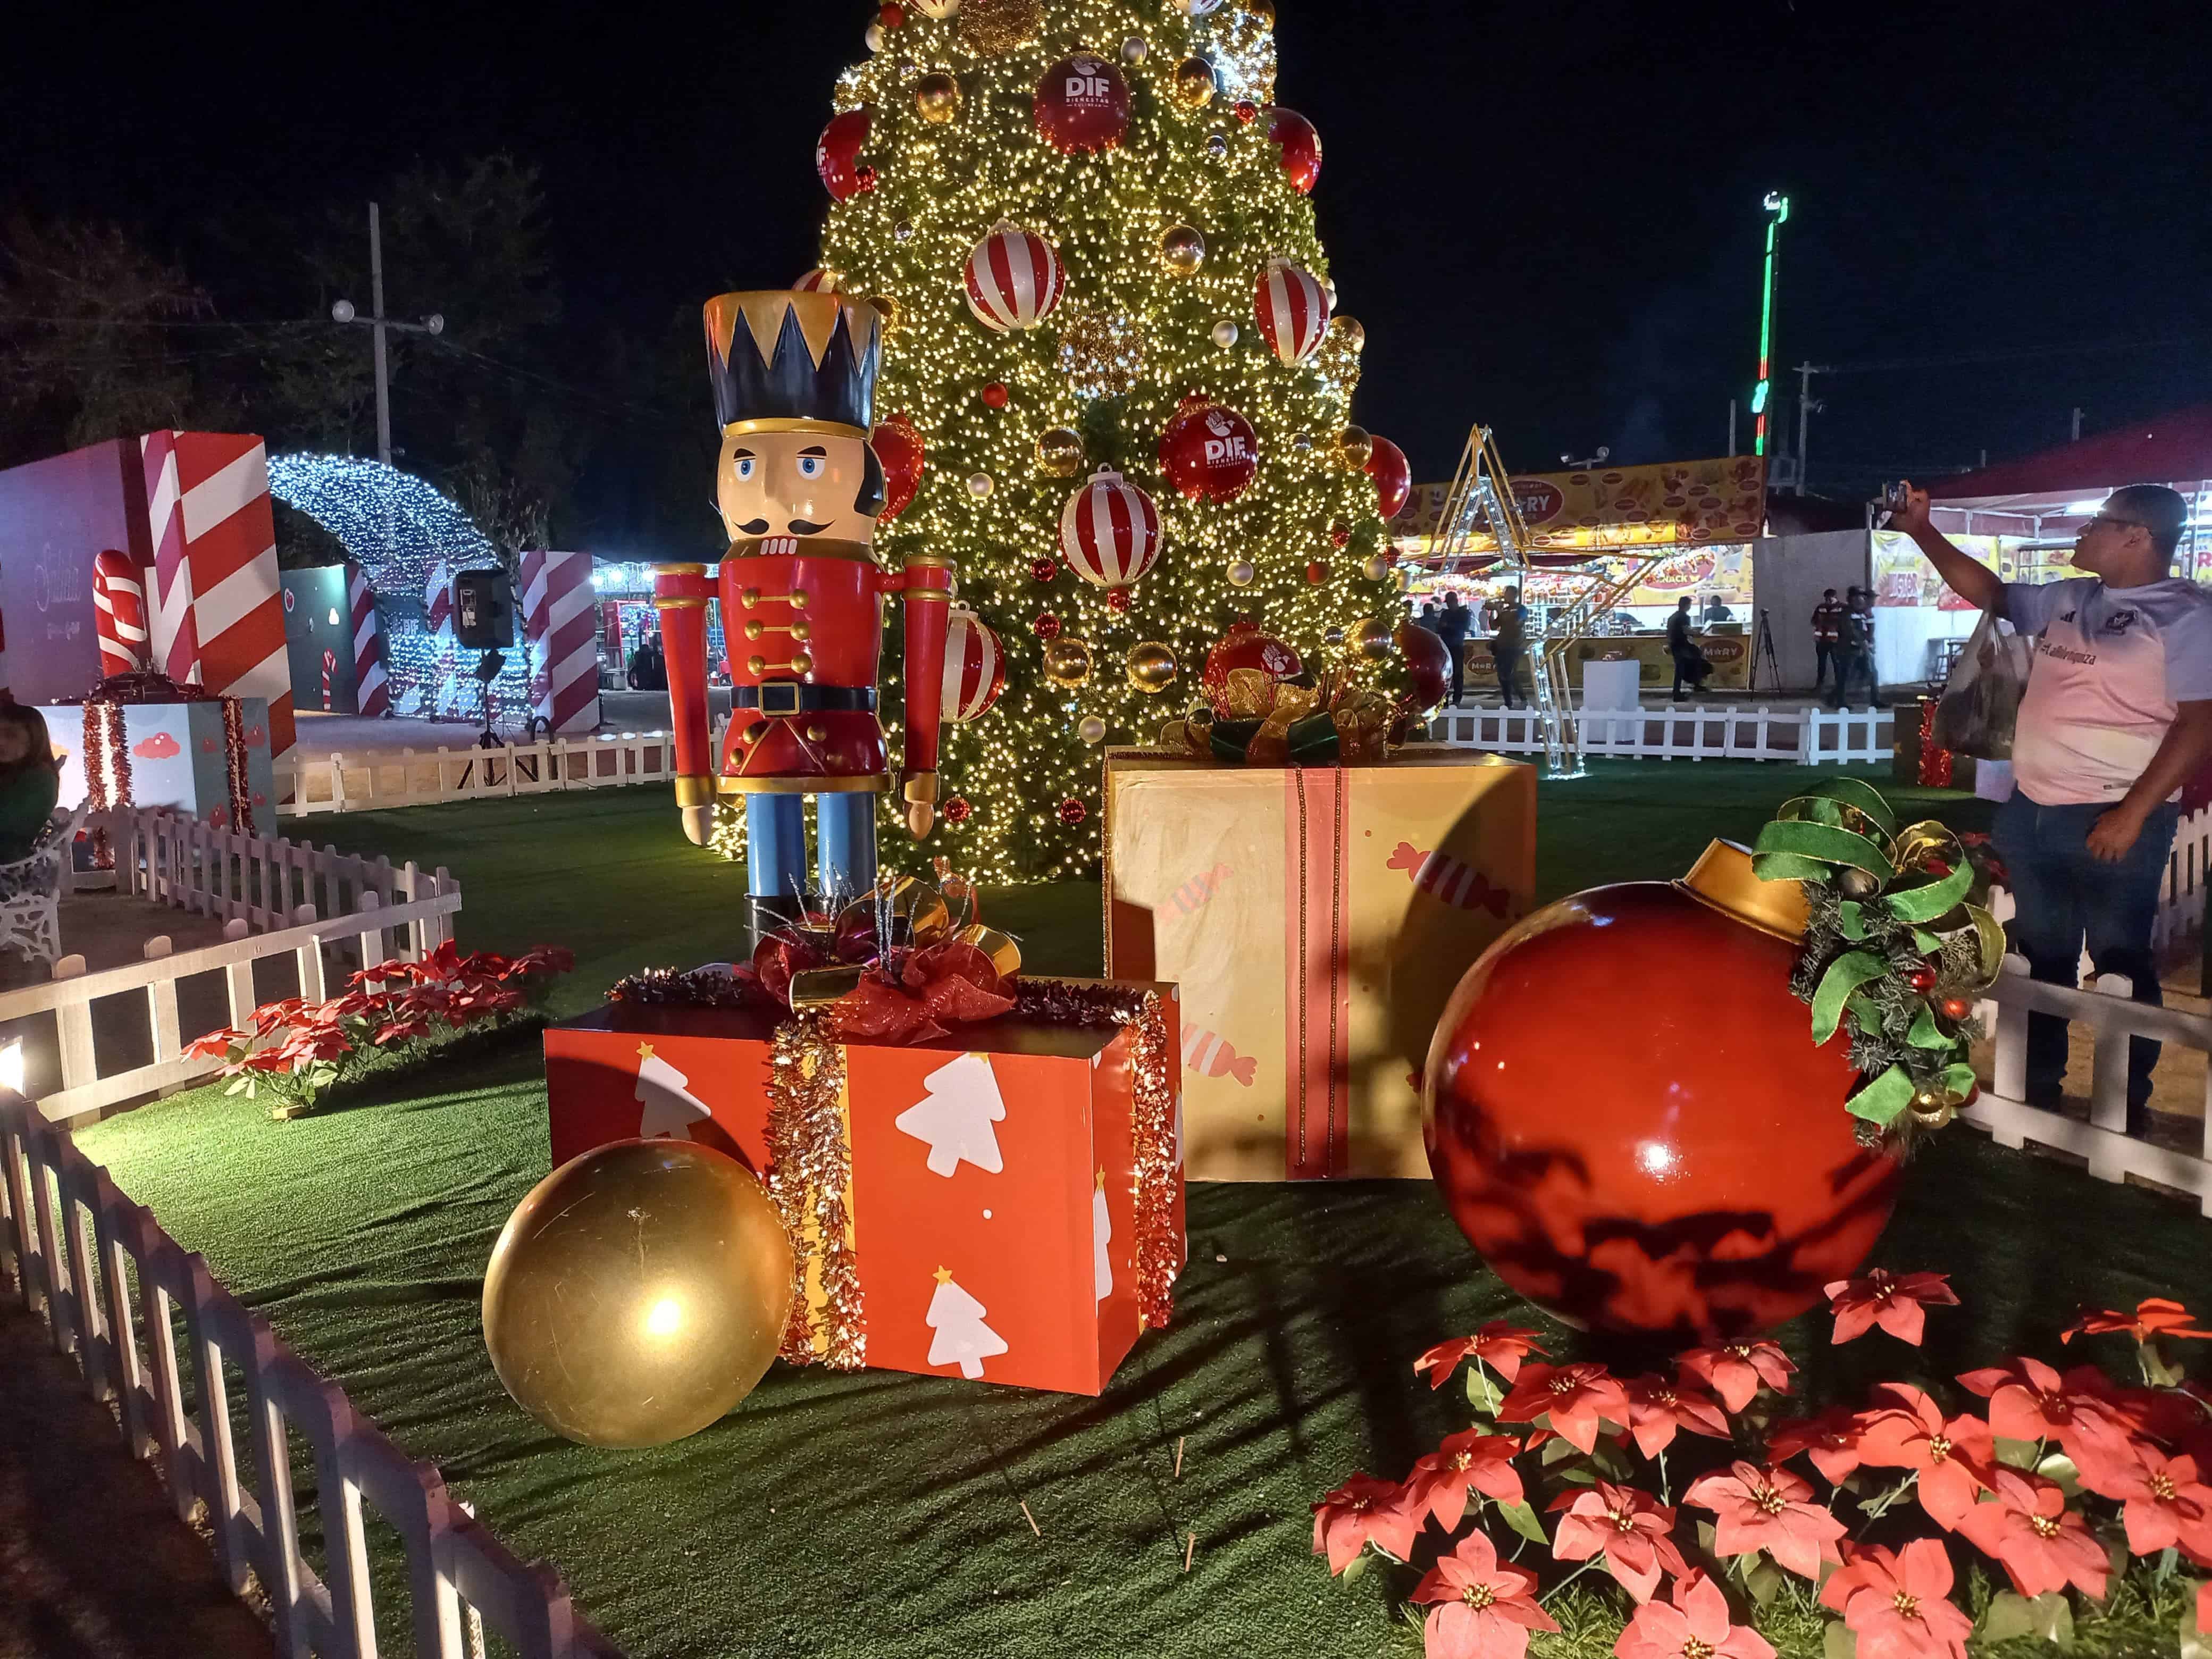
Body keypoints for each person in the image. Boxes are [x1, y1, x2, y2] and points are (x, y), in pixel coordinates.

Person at [1890, 480, 2212, 1129]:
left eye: (2098, 522)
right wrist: (1919, 531)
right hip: (2031, 809)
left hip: (2113, 816)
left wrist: (2132, 813)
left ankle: (2123, 1105)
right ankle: (2036, 1089)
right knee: (2042, 958)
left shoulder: (2185, 615)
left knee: (2120, 962)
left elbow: (2199, 722)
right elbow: (1989, 593)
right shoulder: (2069, 597)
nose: (2082, 532)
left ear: (2136, 536)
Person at [0, 704, 62, 865]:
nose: (1, 741)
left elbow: (8, 820)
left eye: (11, 735)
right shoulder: (12, 771)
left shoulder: (41, 779)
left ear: (34, 739)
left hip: (10, 863)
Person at [1831, 588, 1881, 709]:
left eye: (1862, 598)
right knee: (1846, 675)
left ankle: (1875, 700)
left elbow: (1865, 631)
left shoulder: (1861, 613)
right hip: (1848, 650)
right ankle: (1839, 701)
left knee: (1872, 673)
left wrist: (1867, 644)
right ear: (1851, 599)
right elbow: (1850, 631)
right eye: (1857, 598)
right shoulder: (1846, 613)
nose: (1861, 600)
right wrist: (1862, 642)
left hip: (1860, 649)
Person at [1487, 585, 1529, 709]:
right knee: (1502, 674)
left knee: (1510, 673)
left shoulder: (1521, 609)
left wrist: (1499, 611)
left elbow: (1515, 623)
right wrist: (1492, 612)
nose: (1505, 596)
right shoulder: (1505, 610)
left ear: (1514, 595)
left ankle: (1522, 698)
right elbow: (1494, 626)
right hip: (1502, 646)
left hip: (1515, 646)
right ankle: (1508, 702)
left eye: (1507, 594)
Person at [1434, 591, 1471, 707]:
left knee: (1458, 673)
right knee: (1445, 673)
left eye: (1450, 602)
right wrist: (1442, 626)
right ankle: (1444, 698)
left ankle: (1457, 699)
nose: (1449, 605)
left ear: (1455, 601)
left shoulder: (1464, 613)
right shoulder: (1445, 613)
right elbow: (1440, 628)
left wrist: (1448, 626)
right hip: (1446, 646)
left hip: (1457, 646)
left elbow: (1465, 627)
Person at [1665, 597, 1705, 701]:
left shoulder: (1673, 617)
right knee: (1683, 667)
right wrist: (1698, 634)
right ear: (1686, 605)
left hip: (1674, 645)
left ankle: (1691, 685)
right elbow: (1686, 630)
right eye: (1690, 605)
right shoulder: (1684, 617)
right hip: (1681, 645)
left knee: (1682, 667)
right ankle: (1678, 693)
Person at [1811, 587, 1847, 693]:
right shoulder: (1821, 608)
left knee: (1837, 663)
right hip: (1822, 640)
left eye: (1830, 598)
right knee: (1822, 663)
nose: (1828, 600)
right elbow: (1814, 621)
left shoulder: (1842, 608)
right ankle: (1820, 685)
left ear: (1835, 597)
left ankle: (1839, 686)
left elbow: (1845, 623)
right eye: (1827, 599)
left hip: (1836, 641)